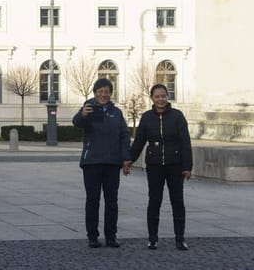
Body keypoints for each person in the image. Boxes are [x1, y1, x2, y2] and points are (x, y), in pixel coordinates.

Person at [126, 83, 193, 250]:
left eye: (163, 96)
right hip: (155, 165)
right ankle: (153, 238)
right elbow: (139, 141)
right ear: (152, 98)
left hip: (175, 165)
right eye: (157, 96)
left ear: (167, 97)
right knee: (154, 201)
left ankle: (179, 238)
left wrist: (187, 166)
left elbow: (185, 142)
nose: (160, 99)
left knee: (177, 201)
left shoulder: (177, 116)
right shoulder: (147, 117)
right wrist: (129, 160)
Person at [72, 77, 131, 248]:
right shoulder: (88, 108)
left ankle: (111, 236)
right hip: (92, 162)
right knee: (92, 200)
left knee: (112, 201)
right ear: (95, 92)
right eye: (100, 91)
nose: (103, 94)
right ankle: (92, 236)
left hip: (112, 163)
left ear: (111, 93)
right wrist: (83, 114)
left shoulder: (116, 112)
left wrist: (126, 158)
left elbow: (124, 136)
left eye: (107, 91)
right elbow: (77, 122)